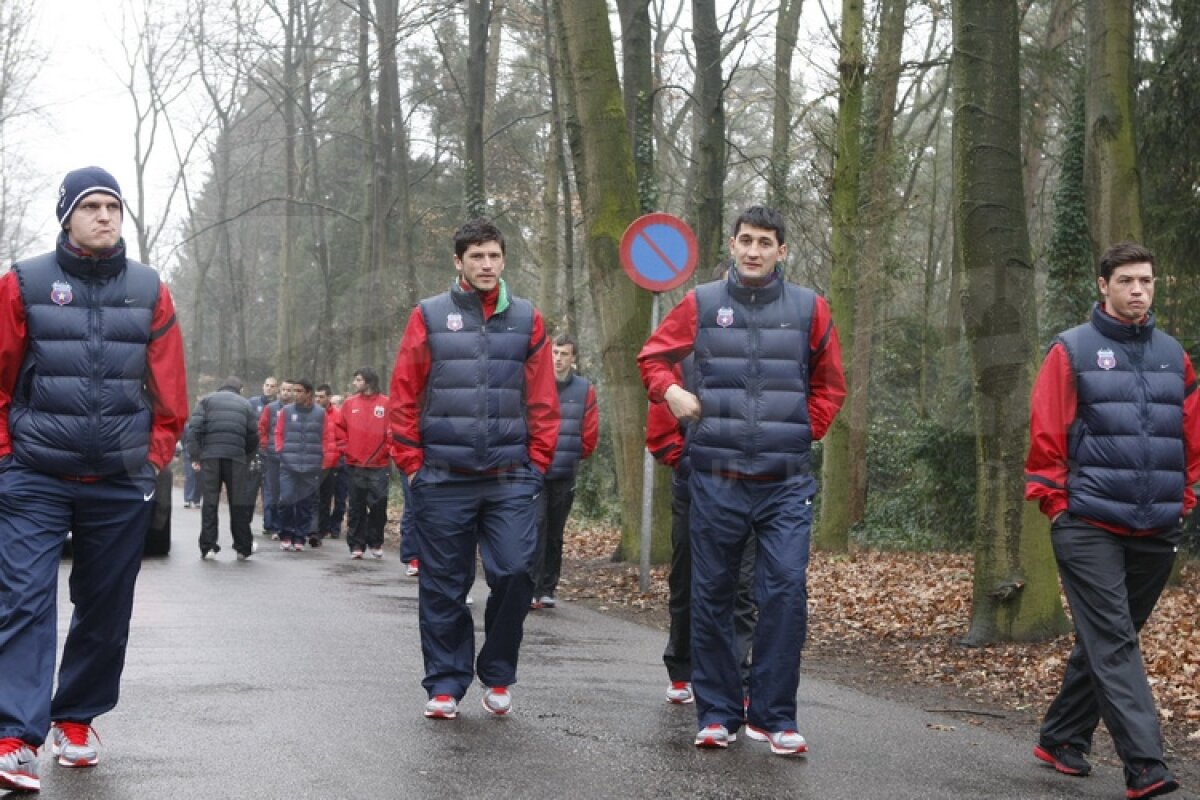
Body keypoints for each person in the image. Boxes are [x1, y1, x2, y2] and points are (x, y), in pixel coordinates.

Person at [0, 166, 188, 792]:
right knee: (25, 599)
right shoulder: (23, 283)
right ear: (66, 216)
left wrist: (150, 459)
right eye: (91, 206)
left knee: (105, 607)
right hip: (34, 475)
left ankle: (75, 720)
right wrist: (6, 456)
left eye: (114, 206)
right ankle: (15, 735)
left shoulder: (150, 289)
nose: (106, 216)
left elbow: (170, 392)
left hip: (117, 479)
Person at [637, 205, 845, 755]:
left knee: (784, 592)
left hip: (784, 482)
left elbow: (830, 385)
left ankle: (775, 717)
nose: (754, 251)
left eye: (766, 243)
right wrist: (670, 392)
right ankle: (719, 714)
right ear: (731, 245)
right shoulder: (701, 304)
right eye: (746, 240)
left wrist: (803, 431)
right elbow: (653, 359)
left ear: (783, 252)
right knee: (712, 595)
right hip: (716, 477)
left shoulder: (810, 309)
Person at [1025, 242, 1198, 800]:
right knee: (1115, 640)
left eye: (1146, 281)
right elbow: (1046, 431)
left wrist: (1186, 495)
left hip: (1156, 524)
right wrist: (1057, 503)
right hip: (1088, 521)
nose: (1138, 290)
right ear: (1104, 285)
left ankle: (1062, 735)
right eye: (1126, 280)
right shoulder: (1071, 350)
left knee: (1108, 638)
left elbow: (1190, 433)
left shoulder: (1175, 354)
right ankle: (1145, 765)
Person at [389, 218, 558, 721]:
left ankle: (498, 672)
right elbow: (404, 393)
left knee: (514, 573)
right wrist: (413, 465)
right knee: (443, 583)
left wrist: (539, 463)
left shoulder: (527, 319)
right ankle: (444, 683)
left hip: (510, 477)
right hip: (442, 476)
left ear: (504, 260)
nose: (487, 265)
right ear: (458, 261)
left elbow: (544, 397)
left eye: (494, 256)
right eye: (477, 256)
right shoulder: (429, 316)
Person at [646, 357, 758, 707]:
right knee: (687, 580)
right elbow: (660, 430)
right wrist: (690, 464)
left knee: (742, 586)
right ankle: (682, 668)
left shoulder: (764, 357)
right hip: (695, 490)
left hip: (751, 488)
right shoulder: (686, 362)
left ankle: (737, 679)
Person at [530, 334, 598, 609]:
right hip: (536, 470)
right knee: (536, 526)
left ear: (573, 359)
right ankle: (531, 588)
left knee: (555, 531)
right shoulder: (535, 385)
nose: (558, 358)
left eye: (564, 354)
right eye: (555, 353)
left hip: (565, 471)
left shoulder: (584, 390)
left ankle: (548, 587)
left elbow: (590, 433)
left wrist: (572, 455)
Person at [187, 376, 260, 560]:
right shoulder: (246, 404)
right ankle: (243, 547)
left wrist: (196, 455)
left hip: (211, 457)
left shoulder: (206, 400)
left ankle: (208, 546)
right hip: (236, 458)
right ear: (239, 389)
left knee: (210, 502)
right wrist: (246, 457)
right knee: (238, 502)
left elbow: (195, 429)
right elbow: (253, 435)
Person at [274, 379, 339, 552]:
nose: (296, 394)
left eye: (299, 391)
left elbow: (326, 437)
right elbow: (278, 433)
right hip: (288, 464)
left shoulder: (320, 414)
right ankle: (286, 534)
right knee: (286, 499)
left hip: (311, 465)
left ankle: (300, 536)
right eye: (294, 391)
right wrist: (281, 451)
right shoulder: (286, 412)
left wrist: (323, 460)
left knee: (305, 503)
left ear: (308, 393)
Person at [336, 368, 391, 559]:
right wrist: (346, 449)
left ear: (368, 382)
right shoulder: (350, 403)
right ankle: (356, 544)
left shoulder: (386, 403)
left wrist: (385, 452)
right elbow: (339, 429)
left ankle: (375, 541)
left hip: (379, 465)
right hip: (355, 463)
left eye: (358, 380)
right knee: (356, 505)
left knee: (378, 505)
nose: (355, 384)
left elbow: (392, 432)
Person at [258, 379, 294, 539]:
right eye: (284, 389)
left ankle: (284, 524)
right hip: (272, 455)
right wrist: (265, 446)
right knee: (271, 490)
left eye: (290, 390)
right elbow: (262, 428)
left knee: (286, 492)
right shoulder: (270, 408)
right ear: (280, 390)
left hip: (291, 457)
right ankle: (270, 524)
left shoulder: (298, 410)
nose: (286, 392)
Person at [314, 383, 347, 546]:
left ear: (328, 398)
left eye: (321, 396)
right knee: (318, 498)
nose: (318, 399)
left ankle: (334, 527)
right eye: (316, 396)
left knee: (338, 499)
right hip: (317, 463)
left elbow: (343, 438)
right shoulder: (312, 414)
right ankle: (319, 529)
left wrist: (338, 452)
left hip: (337, 463)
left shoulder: (338, 415)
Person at [249, 377, 280, 534]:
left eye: (272, 386)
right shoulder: (252, 403)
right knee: (250, 488)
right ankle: (245, 520)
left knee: (269, 489)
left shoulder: (279, 407)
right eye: (267, 385)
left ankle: (268, 523)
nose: (269, 388)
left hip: (271, 452)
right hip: (254, 451)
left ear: (277, 389)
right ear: (263, 386)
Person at [180, 420, 203, 508]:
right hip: (189, 455)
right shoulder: (187, 426)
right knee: (190, 476)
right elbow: (183, 439)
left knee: (200, 477)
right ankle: (188, 499)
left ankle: (196, 500)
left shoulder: (205, 426)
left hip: (201, 455)